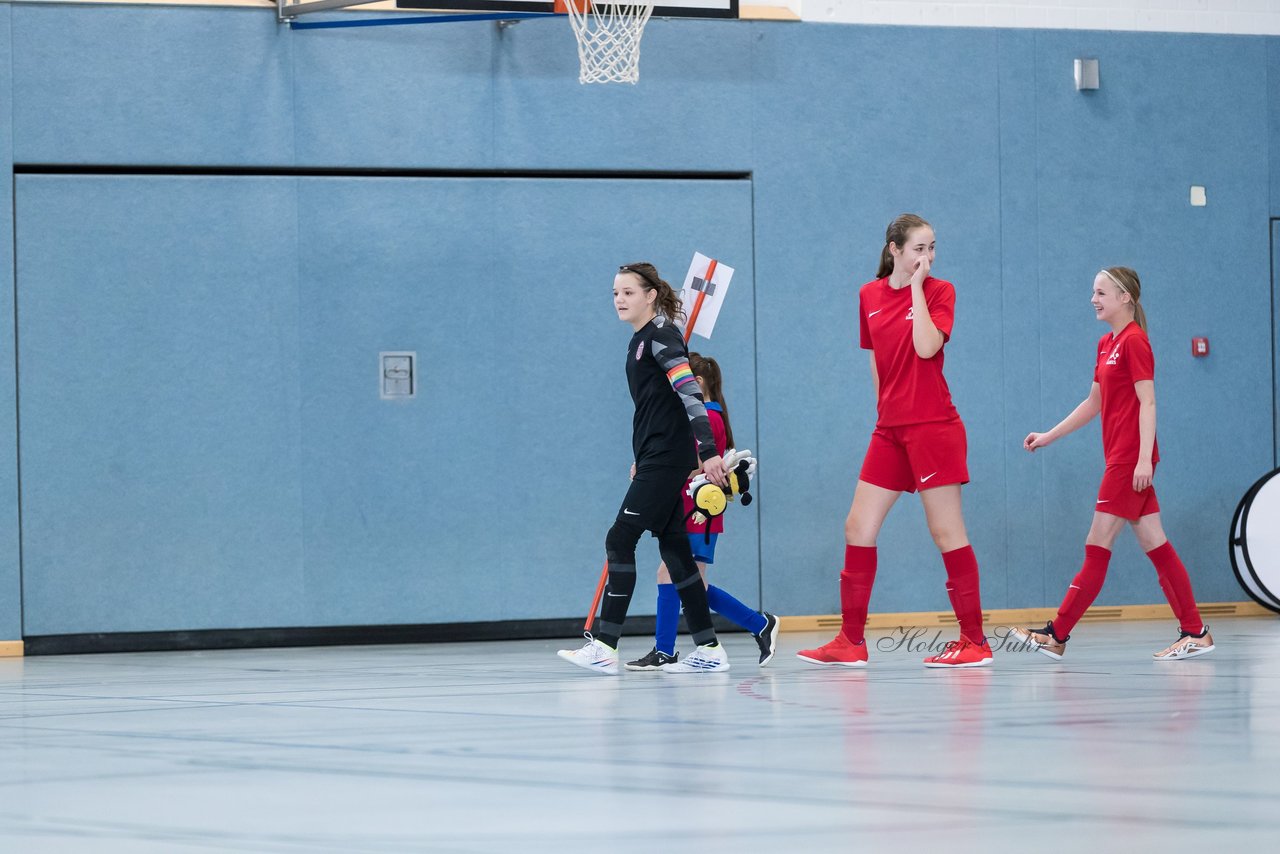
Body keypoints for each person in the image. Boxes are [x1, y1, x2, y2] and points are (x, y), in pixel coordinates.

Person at [797, 213, 993, 669]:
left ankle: (974, 641)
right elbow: (877, 361)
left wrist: (919, 289)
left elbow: (927, 347)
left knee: (946, 532)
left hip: (933, 426)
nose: (928, 256)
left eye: (932, 248)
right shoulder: (869, 295)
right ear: (894, 250)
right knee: (857, 527)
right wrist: (883, 409)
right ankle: (850, 641)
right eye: (919, 248)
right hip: (890, 429)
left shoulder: (941, 291)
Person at [1014, 267, 1215, 660]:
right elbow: (1094, 403)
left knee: (1096, 546)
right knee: (1156, 545)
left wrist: (1143, 460)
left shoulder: (1136, 342)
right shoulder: (1107, 343)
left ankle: (1057, 634)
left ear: (1125, 298)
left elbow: (1149, 402)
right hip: (1123, 458)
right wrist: (1048, 436)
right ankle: (1195, 631)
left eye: (1101, 292)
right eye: (1093, 291)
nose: (1094, 298)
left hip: (1129, 461)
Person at [558, 263, 731, 675]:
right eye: (615, 293)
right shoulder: (640, 340)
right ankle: (709, 648)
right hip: (656, 456)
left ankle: (604, 644)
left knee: (621, 538)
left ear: (651, 295)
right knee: (675, 551)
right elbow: (657, 407)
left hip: (668, 459)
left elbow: (689, 392)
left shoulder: (662, 336)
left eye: (629, 292)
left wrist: (707, 451)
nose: (619, 299)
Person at [625, 352, 781, 671]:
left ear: (697, 384)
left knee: (677, 576)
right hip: (687, 507)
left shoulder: (708, 417)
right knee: (690, 582)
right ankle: (758, 624)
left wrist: (652, 468)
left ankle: (666, 649)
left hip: (699, 510)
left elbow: (696, 463)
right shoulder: (703, 415)